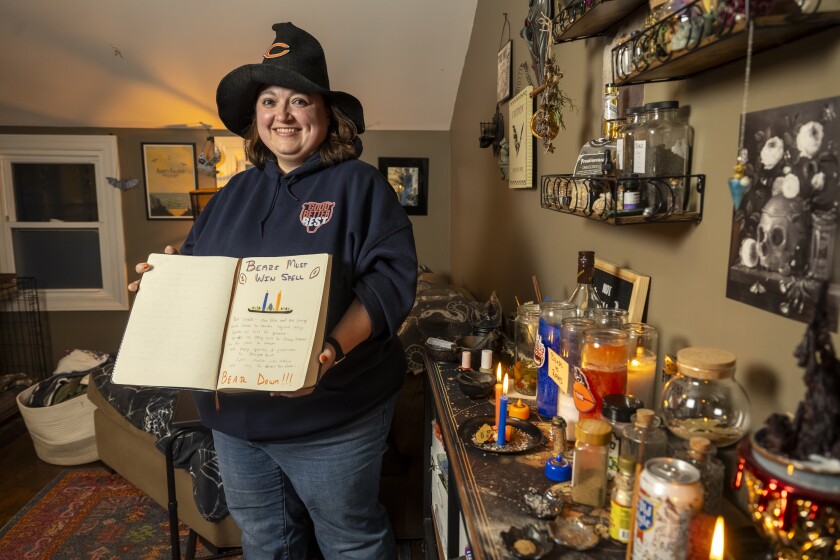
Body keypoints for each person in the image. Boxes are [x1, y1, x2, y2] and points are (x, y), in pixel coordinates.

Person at [130, 22, 417, 560]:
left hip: (333, 413)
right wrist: (164, 279)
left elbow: (391, 283)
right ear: (255, 115)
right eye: (268, 100)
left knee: (349, 539)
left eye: (298, 100)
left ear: (327, 114)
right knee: (266, 539)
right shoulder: (233, 192)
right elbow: (199, 270)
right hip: (237, 419)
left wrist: (328, 352)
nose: (282, 115)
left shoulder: (360, 186)